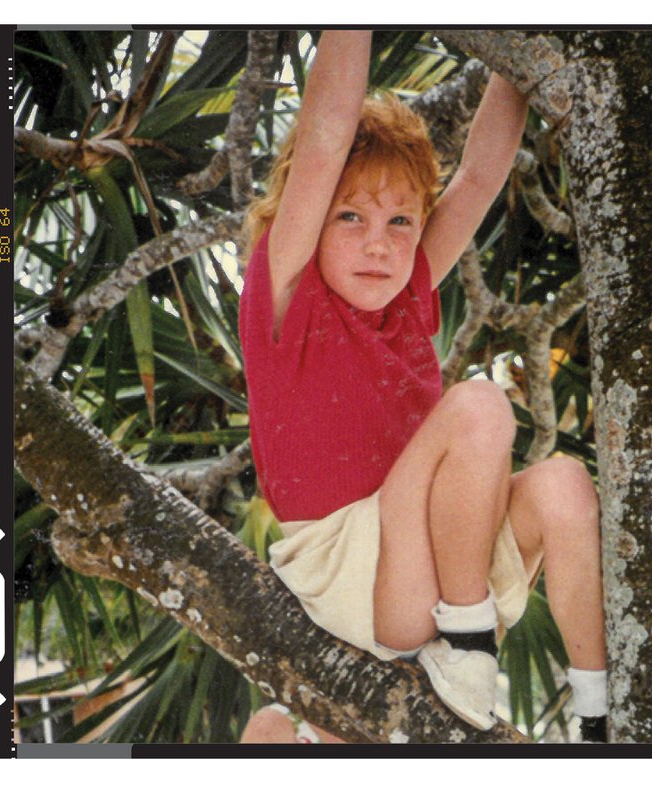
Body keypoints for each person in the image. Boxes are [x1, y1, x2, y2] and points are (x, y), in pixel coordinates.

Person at [238, 30, 607, 743]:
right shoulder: (288, 289)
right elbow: (324, 133)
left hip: (432, 558)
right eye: (351, 216)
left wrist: (533, 43)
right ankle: (468, 647)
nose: (379, 242)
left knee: (563, 484)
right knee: (477, 406)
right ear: (311, 220)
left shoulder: (408, 294)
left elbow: (480, 175)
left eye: (400, 221)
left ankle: (598, 717)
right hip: (362, 580)